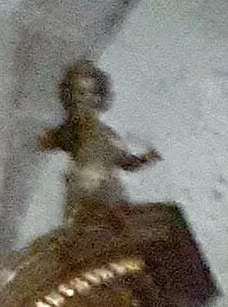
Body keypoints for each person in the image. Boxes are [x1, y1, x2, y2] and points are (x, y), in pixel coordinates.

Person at [38, 61, 158, 221]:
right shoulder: (70, 131)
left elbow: (124, 162)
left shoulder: (108, 134)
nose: (84, 100)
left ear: (100, 97)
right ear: (69, 98)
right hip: (83, 200)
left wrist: (146, 159)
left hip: (111, 198)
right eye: (79, 93)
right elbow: (46, 142)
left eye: (91, 93)